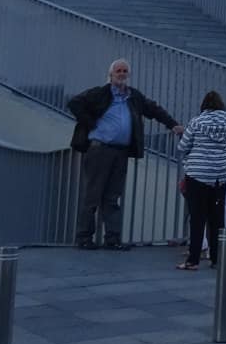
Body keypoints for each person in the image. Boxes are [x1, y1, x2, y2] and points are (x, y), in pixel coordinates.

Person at [67, 60, 182, 249]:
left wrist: (173, 124)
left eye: (124, 71)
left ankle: (112, 239)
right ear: (110, 74)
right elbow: (74, 103)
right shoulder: (100, 93)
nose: (121, 74)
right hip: (100, 149)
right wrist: (90, 122)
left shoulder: (133, 96)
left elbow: (153, 109)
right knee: (93, 195)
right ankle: (84, 238)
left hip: (120, 152)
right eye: (118, 71)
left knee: (112, 197)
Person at [177, 91, 226, 269]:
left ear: (204, 105)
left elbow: (183, 145)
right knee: (217, 217)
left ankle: (193, 260)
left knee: (197, 218)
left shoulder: (196, 122)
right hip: (220, 175)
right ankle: (216, 259)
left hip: (197, 175)